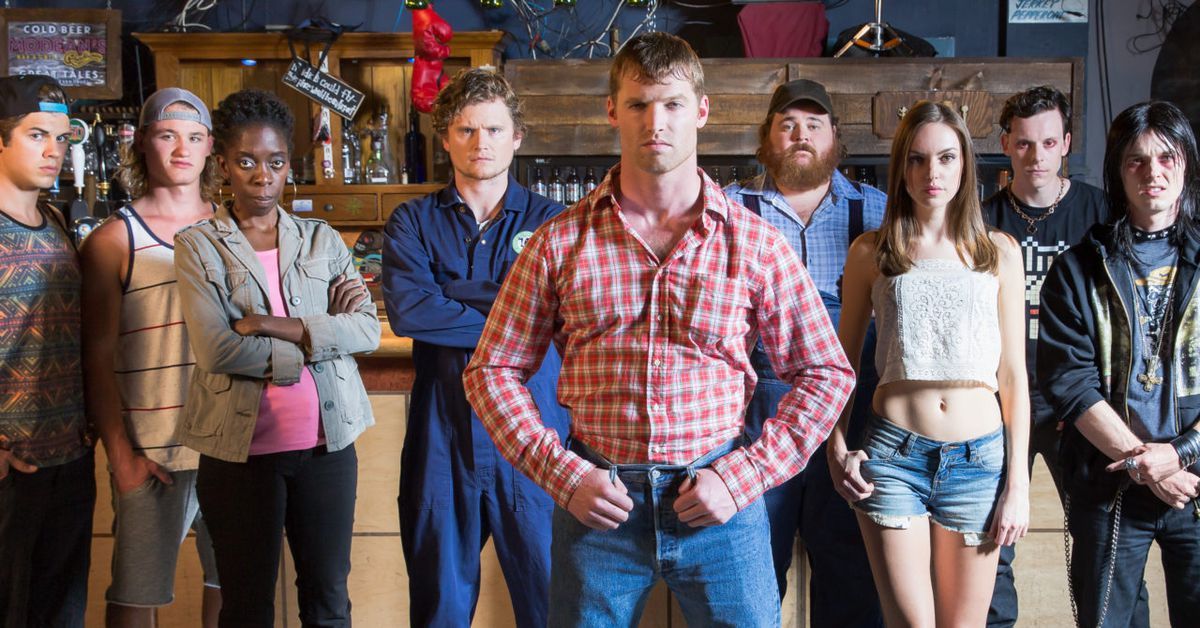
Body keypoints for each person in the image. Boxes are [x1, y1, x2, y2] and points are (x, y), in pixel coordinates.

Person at [463, 32, 854, 626]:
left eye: (672, 104)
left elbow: (826, 372)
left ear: (700, 110)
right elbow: (491, 370)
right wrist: (562, 474)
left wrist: (746, 473)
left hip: (721, 502)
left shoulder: (753, 244)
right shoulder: (559, 242)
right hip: (598, 505)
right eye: (640, 104)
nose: (656, 121)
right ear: (612, 111)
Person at [173, 88, 379, 626]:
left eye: (275, 161)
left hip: (327, 450)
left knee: (329, 600)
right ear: (223, 165)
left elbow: (365, 330)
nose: (262, 175)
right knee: (246, 606)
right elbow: (217, 348)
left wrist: (270, 326)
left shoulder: (322, 239)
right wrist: (313, 347)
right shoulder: (198, 245)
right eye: (246, 161)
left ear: (290, 165)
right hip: (241, 456)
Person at [828, 100, 1031, 627]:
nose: (931, 173)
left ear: (965, 163)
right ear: (902, 168)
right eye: (917, 159)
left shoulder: (999, 253)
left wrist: (1019, 486)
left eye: (945, 158)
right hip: (893, 458)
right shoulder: (872, 252)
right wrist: (836, 449)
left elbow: (1013, 377)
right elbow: (838, 367)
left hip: (977, 462)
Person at [381, 68, 569, 627]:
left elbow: (554, 316)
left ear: (516, 137)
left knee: (552, 603)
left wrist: (454, 298)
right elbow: (412, 310)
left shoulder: (554, 223)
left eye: (492, 129)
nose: (479, 143)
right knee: (439, 605)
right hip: (442, 435)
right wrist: (513, 308)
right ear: (444, 138)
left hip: (535, 430)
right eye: (465, 130)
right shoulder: (412, 221)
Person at [724, 78, 886, 626]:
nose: (801, 136)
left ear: (835, 137)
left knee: (851, 567)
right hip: (758, 411)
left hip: (853, 406)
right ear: (767, 138)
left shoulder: (881, 213)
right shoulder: (728, 211)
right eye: (787, 124)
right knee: (751, 568)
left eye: (814, 125)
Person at [1038, 100, 1200, 628]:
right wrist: (1143, 461)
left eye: (1166, 158)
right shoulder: (1078, 269)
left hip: (1196, 485)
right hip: (1109, 487)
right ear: (1117, 170)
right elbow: (1069, 381)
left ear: (1186, 165)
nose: (1153, 172)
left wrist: (1178, 455)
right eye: (1136, 160)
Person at [980, 85, 1129, 628]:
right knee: (991, 537)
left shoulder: (1100, 213)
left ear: (1066, 143)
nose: (1036, 157)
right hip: (1002, 399)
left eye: (1047, 143)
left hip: (1080, 398)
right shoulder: (982, 218)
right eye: (1022, 144)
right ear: (1006, 145)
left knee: (1099, 536)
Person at [81, 87, 223, 628]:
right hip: (153, 450)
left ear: (210, 147)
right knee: (136, 598)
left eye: (193, 137)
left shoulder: (236, 230)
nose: (181, 149)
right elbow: (94, 357)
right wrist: (120, 455)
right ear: (143, 144)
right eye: (167, 136)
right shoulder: (113, 240)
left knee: (232, 587)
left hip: (231, 447)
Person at [0, 74, 94, 628]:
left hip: (68, 458)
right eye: (37, 135)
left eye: (62, 138)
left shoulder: (57, 223)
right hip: (10, 465)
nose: (54, 151)